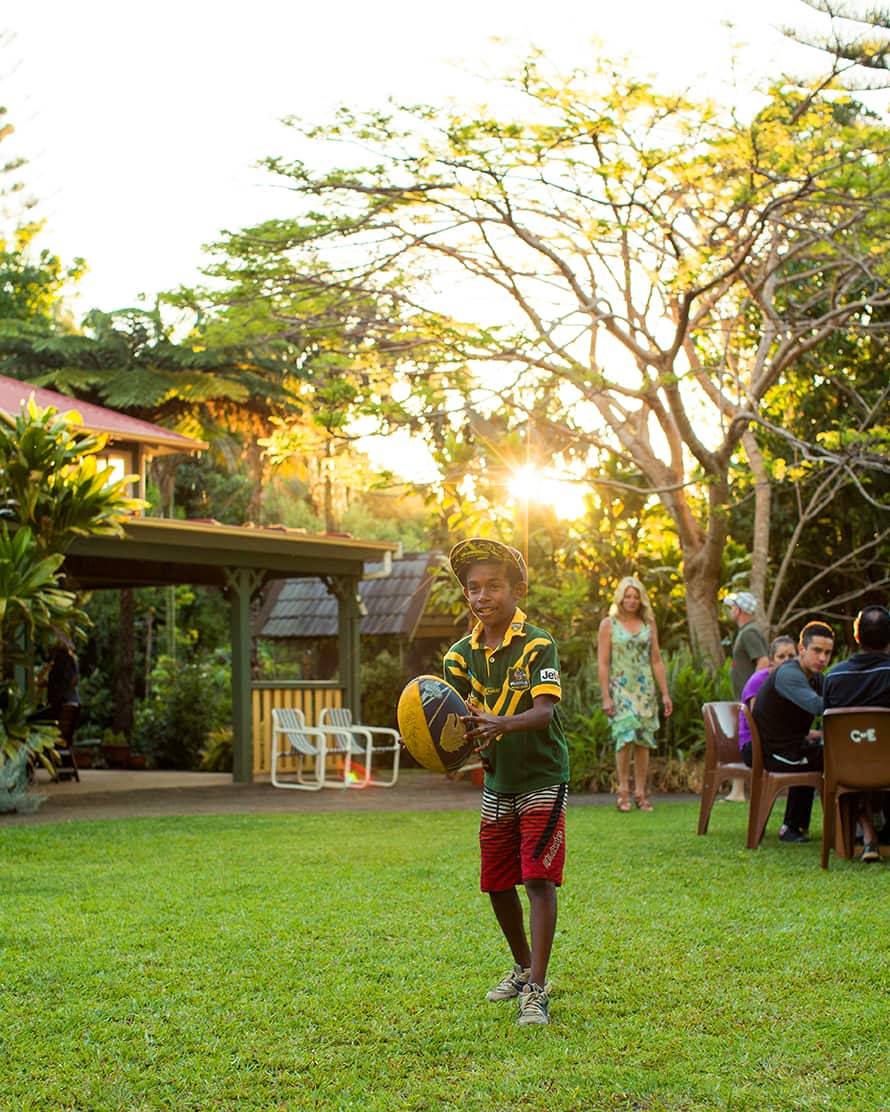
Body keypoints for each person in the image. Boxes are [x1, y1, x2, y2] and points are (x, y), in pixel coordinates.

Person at [444, 537, 568, 1028]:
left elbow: (543, 712)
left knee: (537, 878)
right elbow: (451, 717)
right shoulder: (459, 656)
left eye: (492, 586)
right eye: (473, 588)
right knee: (497, 883)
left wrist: (499, 722)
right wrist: (444, 745)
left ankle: (537, 988)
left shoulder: (538, 643)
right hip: (498, 781)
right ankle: (521, 967)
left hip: (542, 775)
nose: (481, 596)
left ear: (517, 589)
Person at [750, 620, 835, 843]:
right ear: (801, 649)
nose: (822, 658)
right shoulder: (790, 674)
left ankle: (797, 826)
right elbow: (819, 705)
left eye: (827, 653)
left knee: (830, 753)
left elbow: (834, 696)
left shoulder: (815, 677)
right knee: (836, 758)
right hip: (775, 752)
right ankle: (847, 829)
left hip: (794, 747)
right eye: (817, 651)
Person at [597, 576, 672, 813]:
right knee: (625, 737)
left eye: (635, 596)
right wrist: (606, 696)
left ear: (641, 599)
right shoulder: (609, 624)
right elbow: (603, 663)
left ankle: (640, 792)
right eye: (627, 596)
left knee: (643, 741)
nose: (631, 600)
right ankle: (623, 792)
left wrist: (665, 694)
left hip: (645, 689)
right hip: (621, 688)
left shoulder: (648, 624)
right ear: (620, 598)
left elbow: (656, 659)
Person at [822, 605, 890, 862]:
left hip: (844, 770)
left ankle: (866, 827)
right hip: (887, 765)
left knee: (857, 754)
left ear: (857, 637)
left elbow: (826, 725)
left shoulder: (834, 676)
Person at [723, 590, 769, 802]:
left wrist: (752, 694)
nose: (731, 610)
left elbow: (762, 661)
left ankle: (740, 791)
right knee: (740, 739)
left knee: (745, 739)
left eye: (733, 606)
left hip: (749, 699)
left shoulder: (750, 632)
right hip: (743, 698)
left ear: (739, 610)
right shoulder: (745, 631)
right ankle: (737, 791)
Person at [737, 636, 798, 753]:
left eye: (791, 656)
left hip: (784, 741)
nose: (786, 660)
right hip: (755, 743)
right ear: (771, 661)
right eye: (781, 656)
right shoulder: (758, 681)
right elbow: (758, 722)